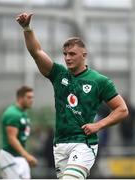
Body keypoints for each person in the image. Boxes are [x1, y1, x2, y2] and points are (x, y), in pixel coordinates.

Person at [16, 13, 129, 179]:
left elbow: (122, 110)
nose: (67, 58)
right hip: (60, 144)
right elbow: (37, 52)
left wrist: (98, 126)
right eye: (65, 54)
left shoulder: (99, 81)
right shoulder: (59, 74)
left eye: (72, 54)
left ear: (84, 55)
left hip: (84, 144)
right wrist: (27, 28)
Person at [0, 86, 38, 179]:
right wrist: (27, 156)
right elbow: (12, 138)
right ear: (20, 98)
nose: (31, 100)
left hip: (19, 157)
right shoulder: (12, 114)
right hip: (9, 156)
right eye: (28, 97)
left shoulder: (23, 113)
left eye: (32, 97)